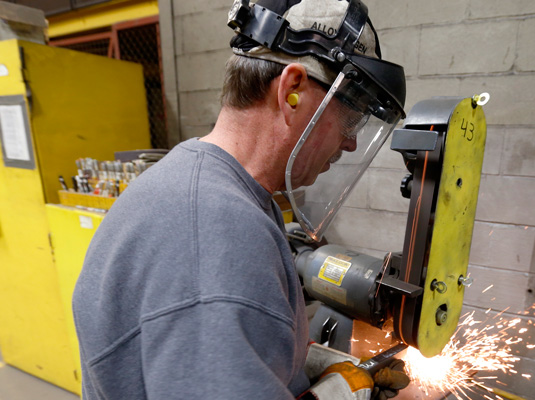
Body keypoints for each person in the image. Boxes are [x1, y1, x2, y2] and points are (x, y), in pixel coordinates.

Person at [72, 0, 407, 399]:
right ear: (292, 90)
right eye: (352, 118)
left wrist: (302, 360)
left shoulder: (205, 183)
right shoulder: (216, 235)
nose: (351, 142)